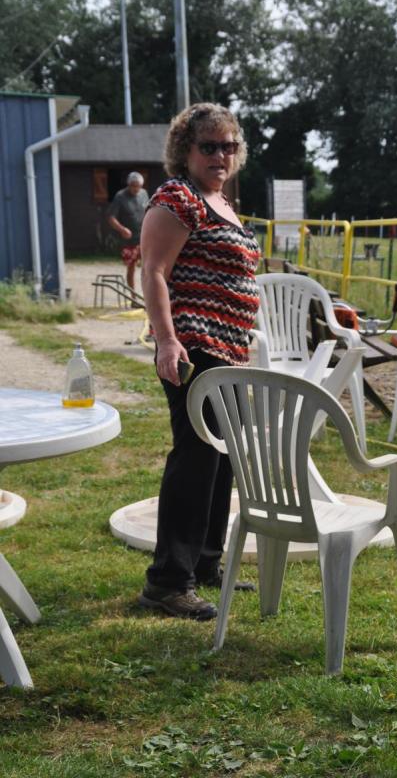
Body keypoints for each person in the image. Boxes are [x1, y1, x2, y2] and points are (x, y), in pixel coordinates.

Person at [139, 103, 260, 621]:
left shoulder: (222, 201)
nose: (220, 155)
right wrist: (167, 341)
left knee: (222, 457)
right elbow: (154, 272)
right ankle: (168, 582)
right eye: (208, 146)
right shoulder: (178, 198)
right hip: (194, 347)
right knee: (195, 459)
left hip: (229, 352)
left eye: (229, 146)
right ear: (184, 151)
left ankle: (206, 561)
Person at [107, 171, 149, 293]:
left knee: (148, 267)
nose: (136, 189)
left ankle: (147, 296)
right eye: (133, 186)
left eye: (138, 186)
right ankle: (133, 296)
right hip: (129, 240)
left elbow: (149, 211)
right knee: (131, 268)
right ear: (129, 184)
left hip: (144, 238)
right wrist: (122, 229)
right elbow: (111, 217)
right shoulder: (120, 196)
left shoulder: (144, 194)